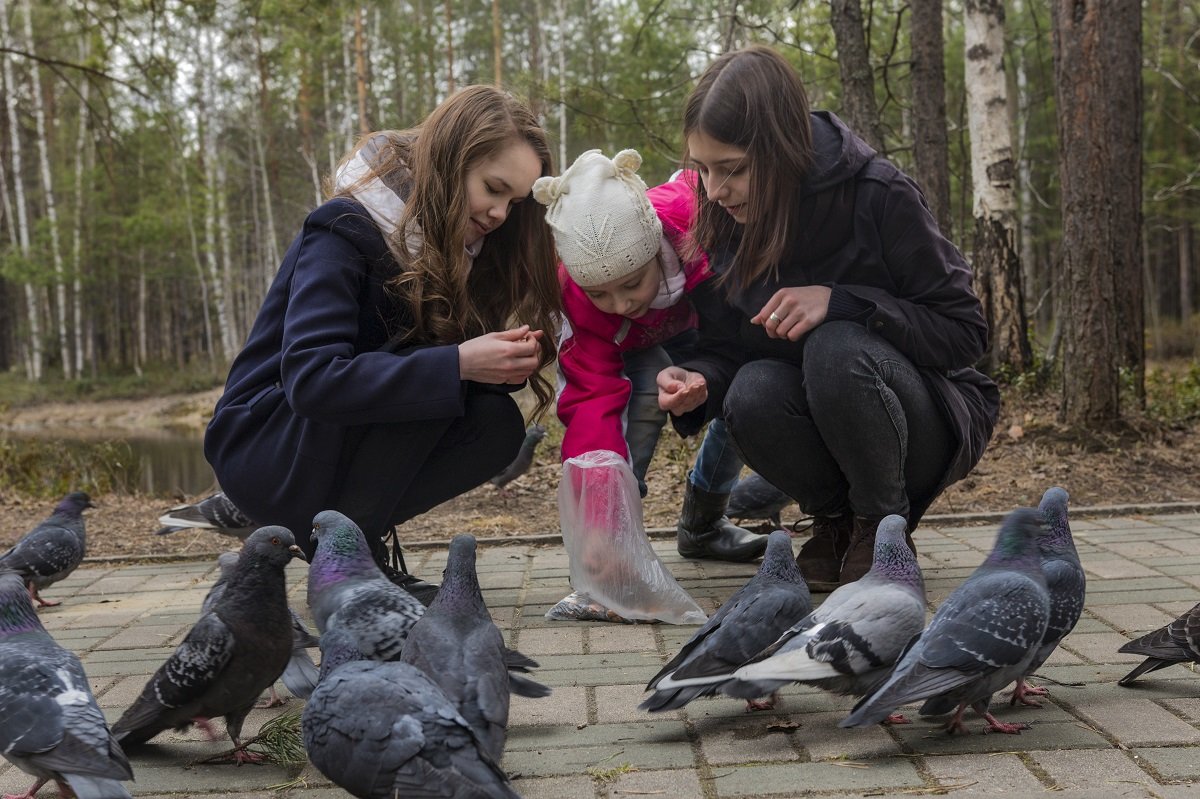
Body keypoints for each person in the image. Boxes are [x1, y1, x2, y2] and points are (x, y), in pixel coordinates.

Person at [657, 45, 1000, 592]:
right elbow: (728, 349)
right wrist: (700, 379)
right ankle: (836, 525)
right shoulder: (724, 216)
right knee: (749, 389)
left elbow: (965, 334)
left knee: (836, 344)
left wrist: (841, 301)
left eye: (732, 169)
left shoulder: (878, 193)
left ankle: (881, 528)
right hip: (824, 423)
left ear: (781, 147)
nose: (715, 191)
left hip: (926, 418)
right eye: (703, 169)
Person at [203, 86, 561, 605]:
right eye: (493, 188)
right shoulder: (343, 228)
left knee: (494, 422)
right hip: (266, 442)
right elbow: (312, 379)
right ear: (450, 161)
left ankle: (349, 553)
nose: (501, 213)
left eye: (514, 202)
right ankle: (350, 563)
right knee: (441, 381)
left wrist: (498, 359)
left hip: (328, 439)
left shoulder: (464, 251)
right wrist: (459, 361)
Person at [532, 149, 766, 622]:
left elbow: (739, 336)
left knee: (745, 393)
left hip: (708, 325)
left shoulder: (703, 225)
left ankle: (702, 521)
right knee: (635, 408)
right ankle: (615, 544)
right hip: (631, 348)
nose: (619, 304)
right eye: (602, 293)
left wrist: (706, 379)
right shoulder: (580, 295)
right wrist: (597, 530)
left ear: (654, 247)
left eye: (632, 284)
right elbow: (591, 398)